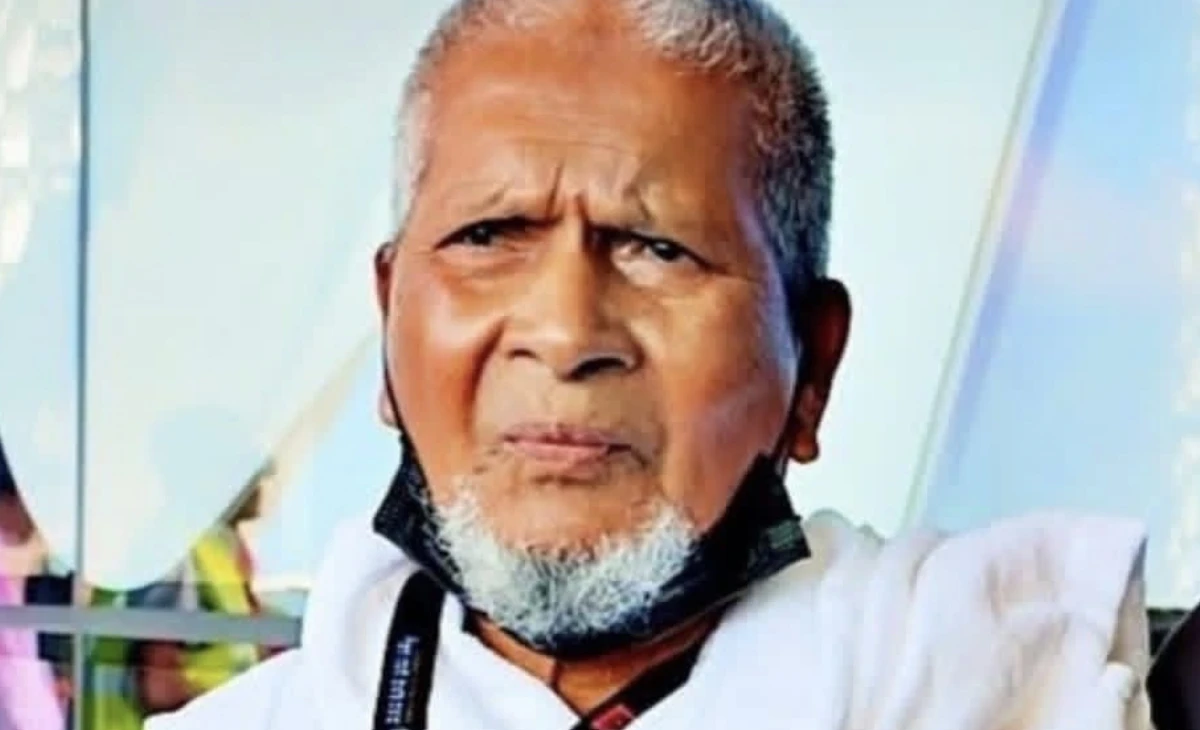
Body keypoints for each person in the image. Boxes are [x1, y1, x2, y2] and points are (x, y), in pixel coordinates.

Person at [149, 1, 1155, 728]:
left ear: (813, 366)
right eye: (489, 235)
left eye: (658, 249)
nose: (563, 330)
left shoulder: (1005, 678)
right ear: (388, 322)